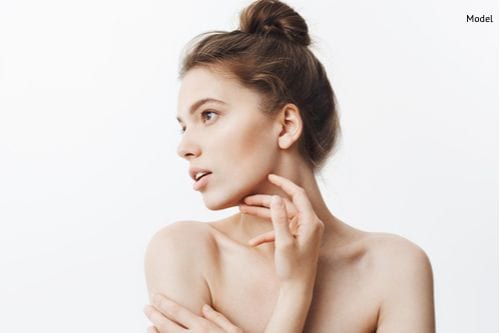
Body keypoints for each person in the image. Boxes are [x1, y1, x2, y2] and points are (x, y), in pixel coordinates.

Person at [143, 0, 436, 332]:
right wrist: (295, 290)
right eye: (184, 126)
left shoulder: (393, 268)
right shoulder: (185, 251)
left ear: (285, 126)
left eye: (208, 115)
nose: (184, 147)